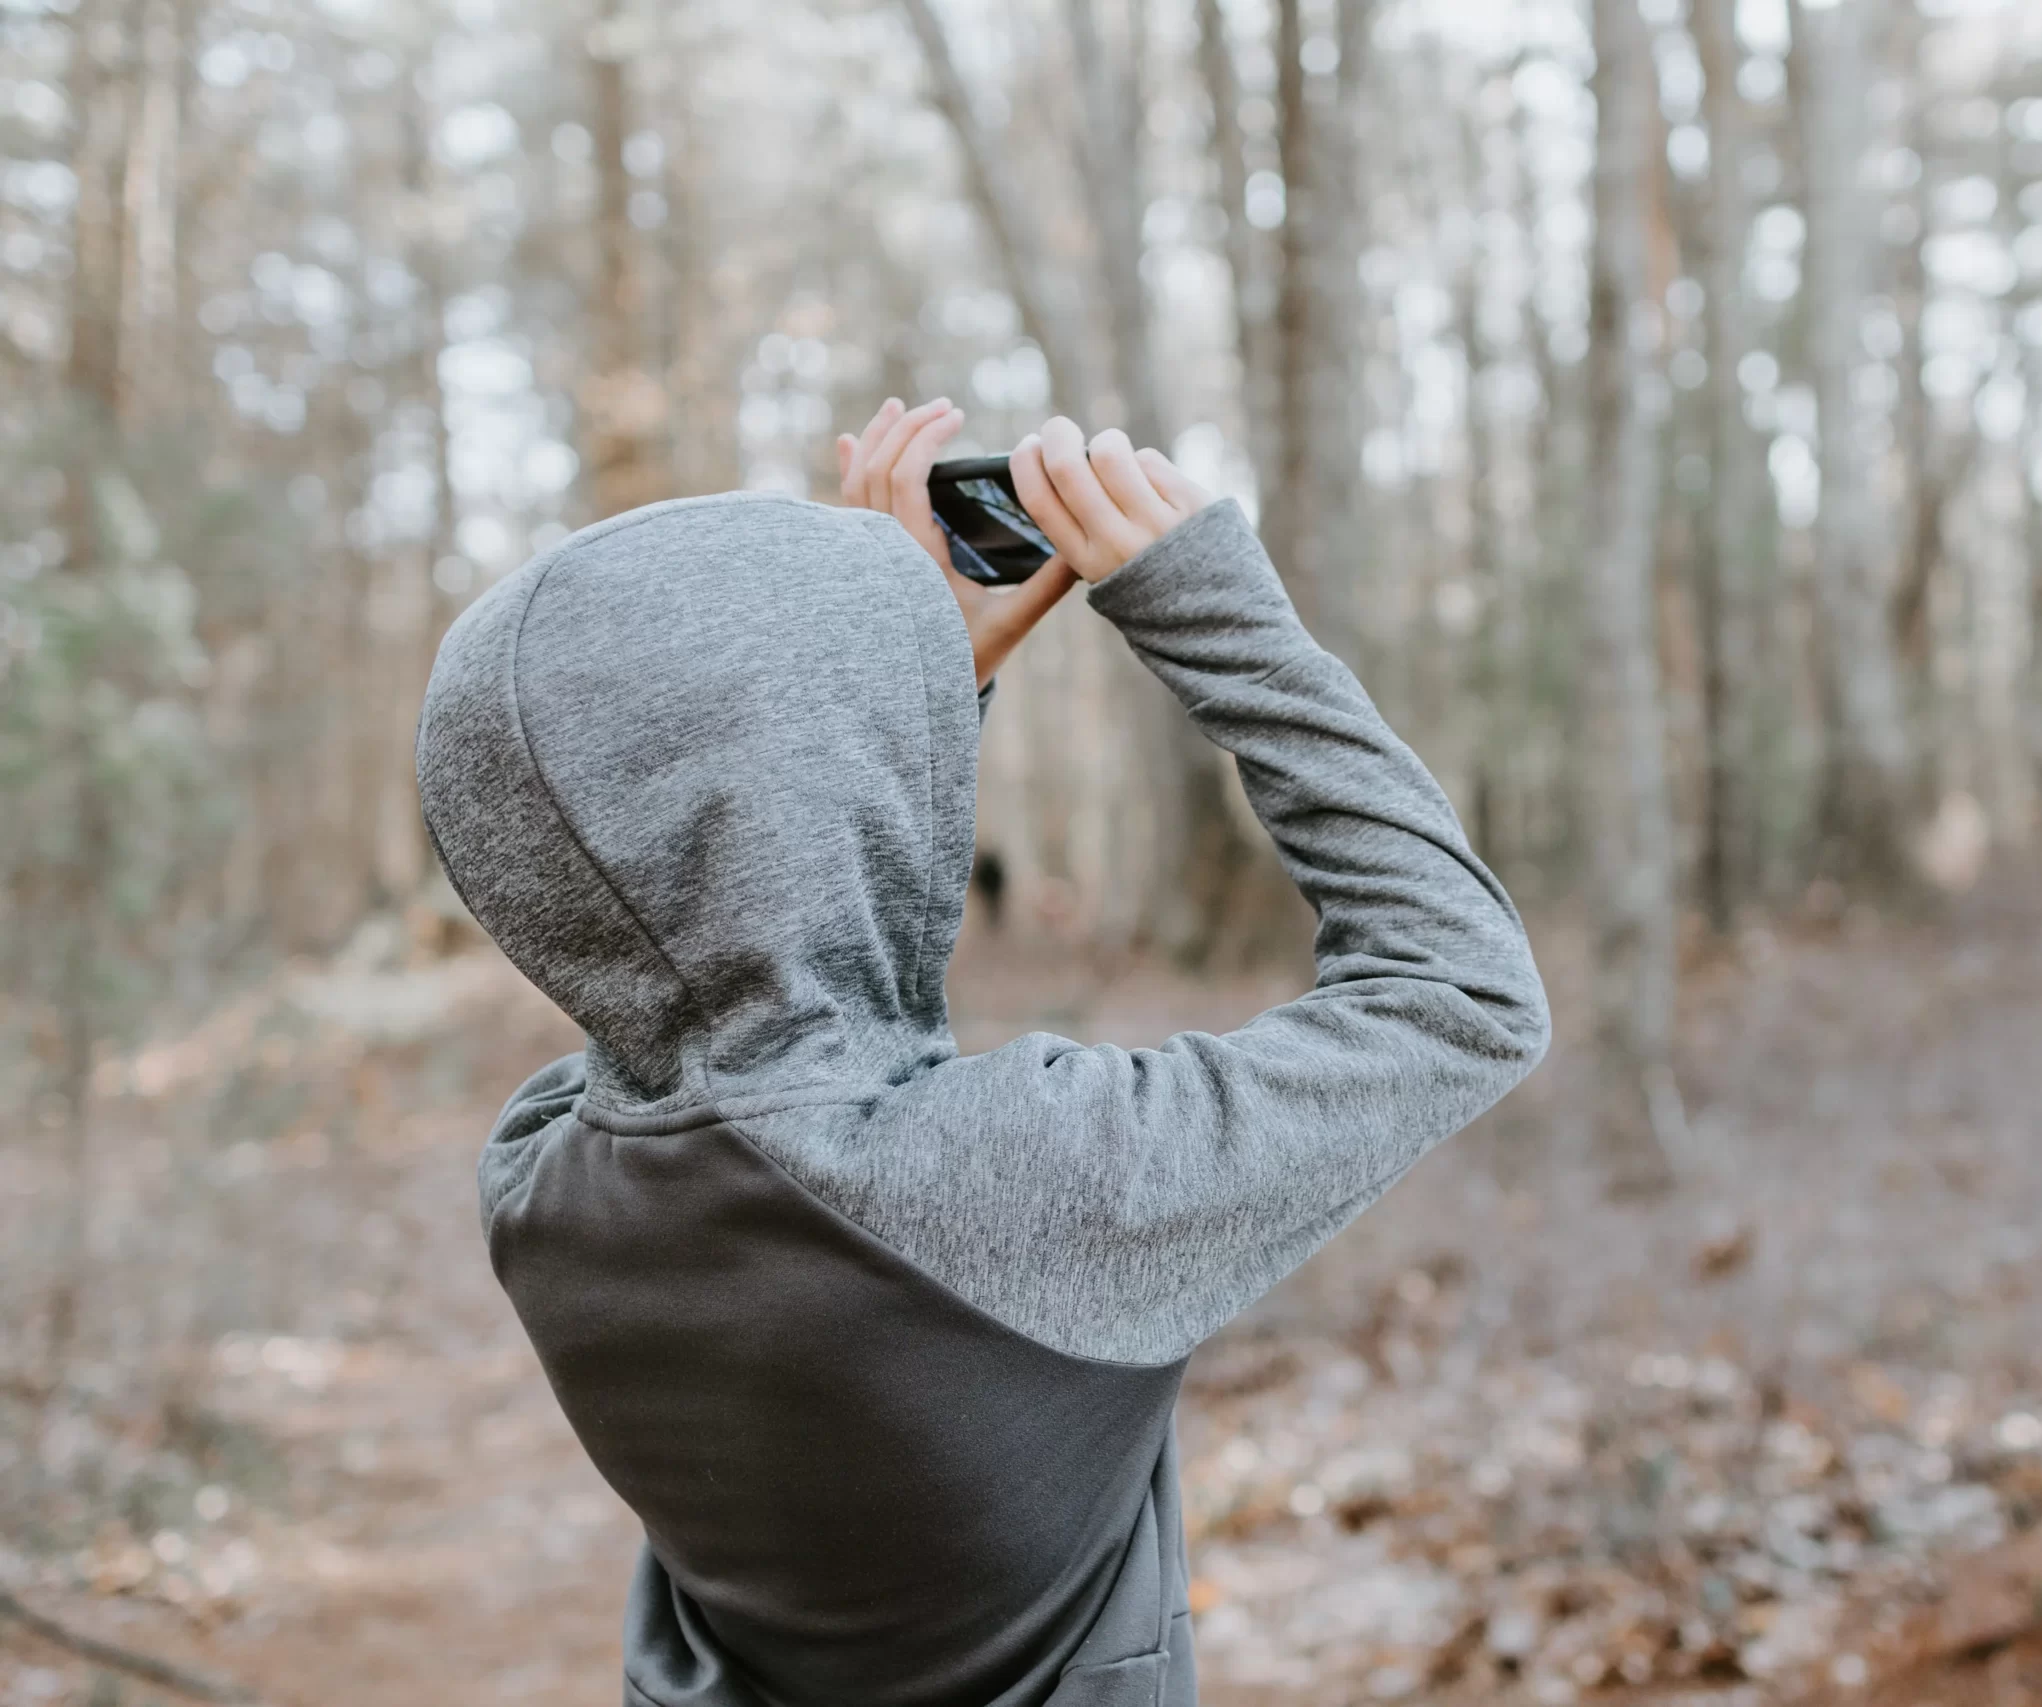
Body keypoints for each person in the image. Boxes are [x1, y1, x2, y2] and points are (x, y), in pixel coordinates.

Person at [413, 399, 1549, 1707]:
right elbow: (1463, 990)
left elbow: (751, 1015)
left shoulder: (541, 1185)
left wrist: (902, 694)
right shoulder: (1038, 1180)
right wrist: (1214, 611)